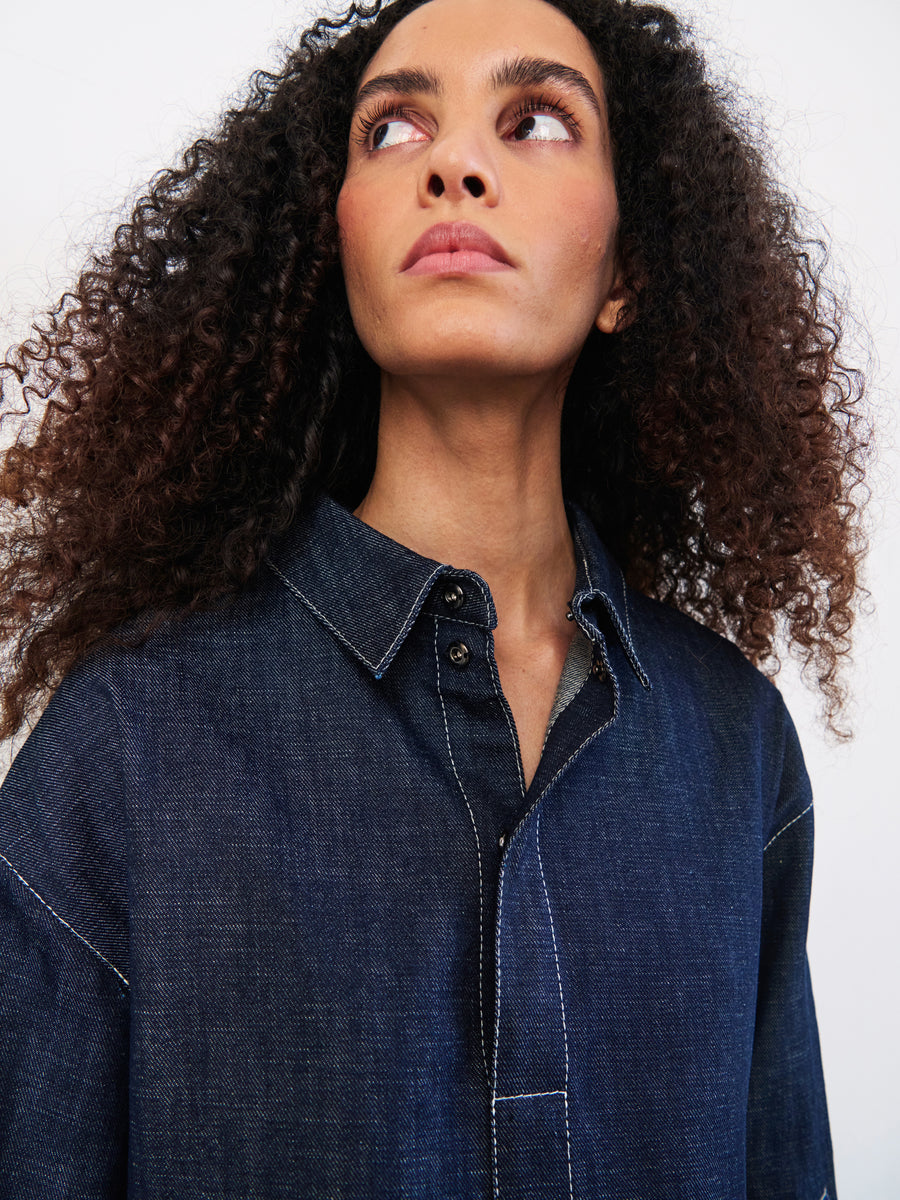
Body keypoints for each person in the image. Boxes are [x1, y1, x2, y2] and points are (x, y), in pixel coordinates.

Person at [0, 0, 868, 1195]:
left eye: (538, 120)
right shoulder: (126, 747)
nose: (456, 163)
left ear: (626, 273)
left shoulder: (736, 751)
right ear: (336, 250)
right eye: (395, 129)